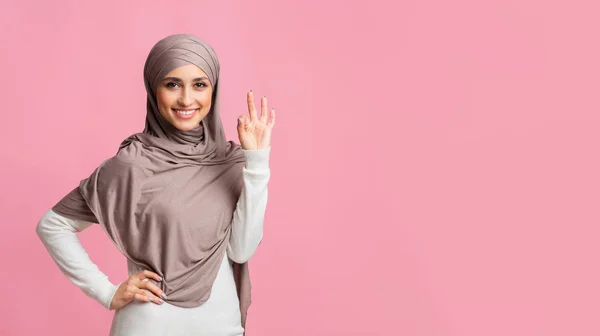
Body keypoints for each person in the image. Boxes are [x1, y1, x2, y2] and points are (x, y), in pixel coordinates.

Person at [35, 33, 275, 336]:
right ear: (153, 88)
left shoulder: (230, 160)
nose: (187, 99)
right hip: (149, 328)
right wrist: (105, 291)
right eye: (172, 84)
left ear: (213, 89)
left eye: (199, 85)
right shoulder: (131, 164)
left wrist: (257, 162)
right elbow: (53, 225)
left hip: (222, 328)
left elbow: (241, 251)